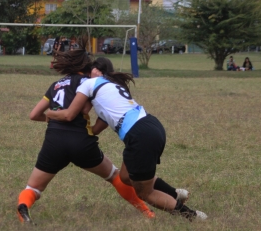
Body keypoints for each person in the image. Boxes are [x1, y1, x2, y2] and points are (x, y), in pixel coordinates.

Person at [47, 57, 207, 222]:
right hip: (150, 126)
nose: (87, 74)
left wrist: (50, 114)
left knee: (145, 193)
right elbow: (94, 130)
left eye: (91, 69)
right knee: (125, 176)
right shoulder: (110, 87)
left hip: (140, 135)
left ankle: (192, 216)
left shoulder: (89, 83)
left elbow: (70, 114)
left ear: (98, 71)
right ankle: (174, 194)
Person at [17, 50, 156, 224]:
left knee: (34, 188)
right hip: (81, 141)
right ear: (85, 66)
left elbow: (34, 115)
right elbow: (84, 110)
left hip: (54, 141)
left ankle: (23, 207)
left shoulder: (55, 85)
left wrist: (51, 117)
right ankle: (146, 211)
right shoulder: (89, 82)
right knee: (114, 176)